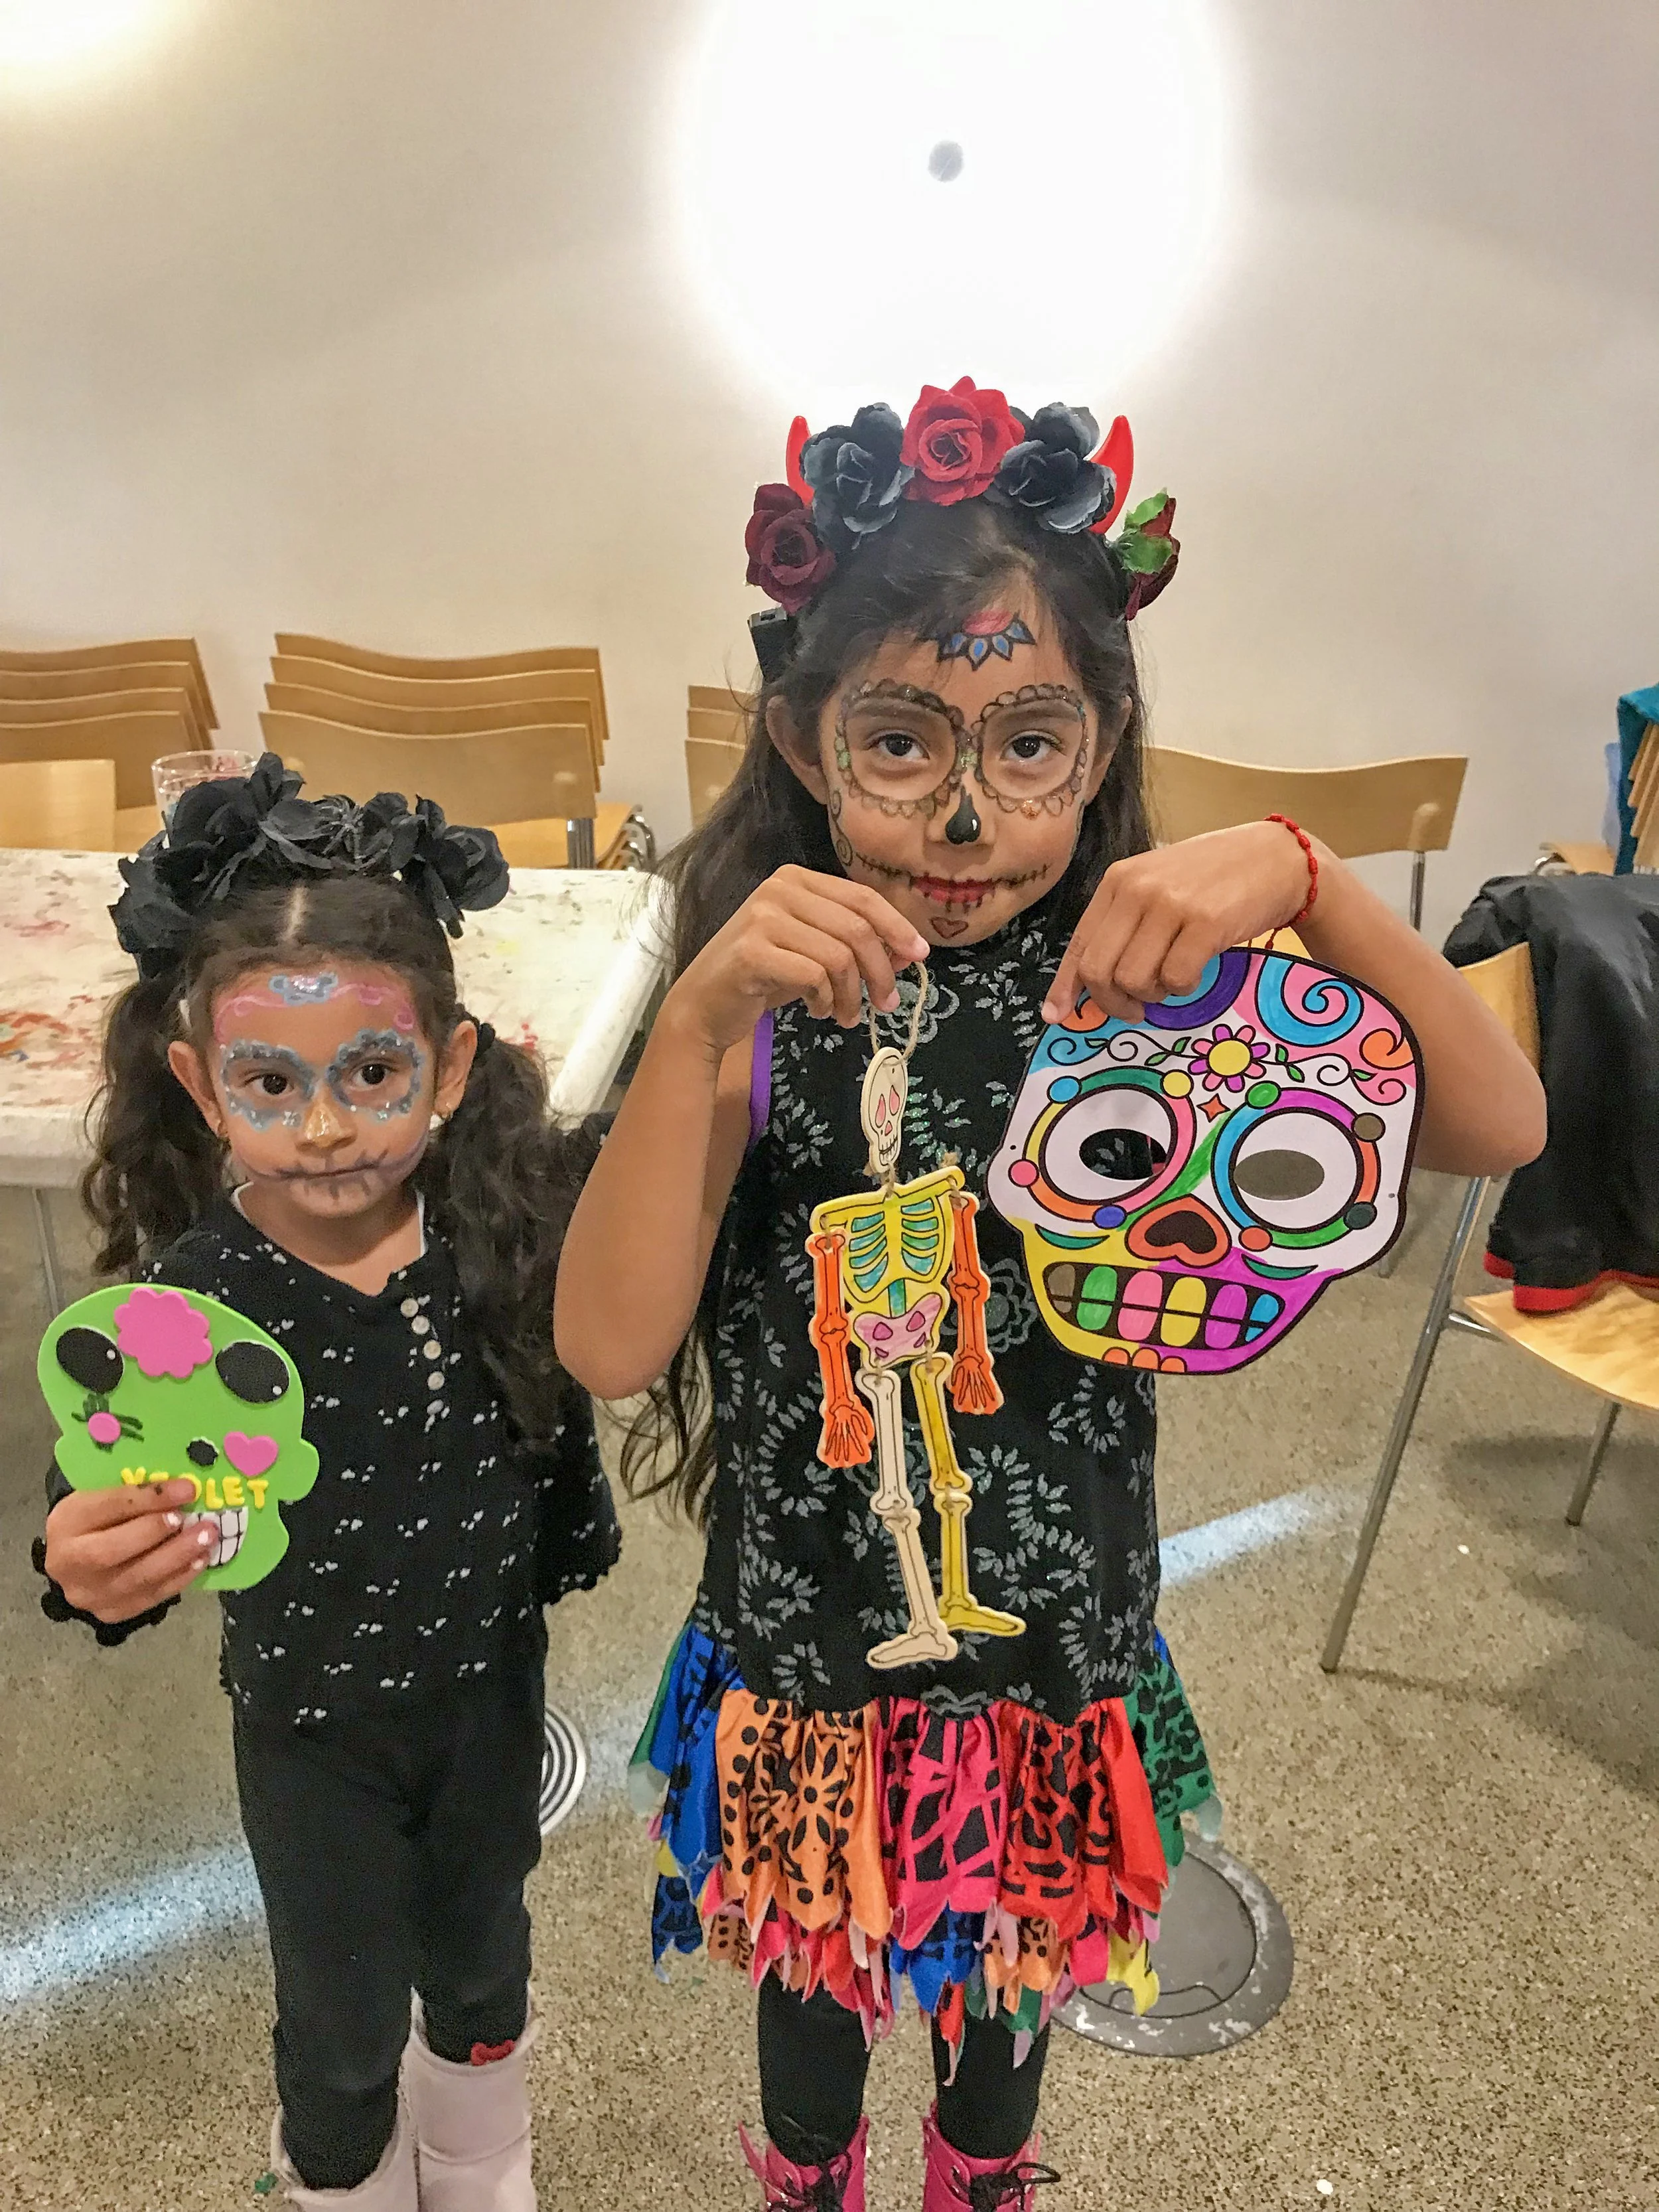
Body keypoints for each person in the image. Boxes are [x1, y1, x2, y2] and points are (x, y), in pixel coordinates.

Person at [555, 379, 1545, 2211]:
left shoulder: (1148, 986)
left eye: (1026, 743)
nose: (961, 814)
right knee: (808, 1984)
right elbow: (609, 1342)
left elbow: (1502, 1114)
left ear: (1099, 746)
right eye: (899, 742)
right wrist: (701, 1014)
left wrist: (1306, 879)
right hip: (806, 1652)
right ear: (799, 731)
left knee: (1006, 2003)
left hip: (1051, 1644)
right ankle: (809, 2181)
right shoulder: (758, 1005)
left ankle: (977, 2179)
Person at [35, 760, 618, 2212]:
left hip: (489, 1694)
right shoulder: (189, 1302)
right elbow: (103, 1469)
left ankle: (483, 2170)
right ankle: (341, 2181)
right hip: (308, 1738)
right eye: (268, 1082)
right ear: (198, 1084)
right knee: (343, 2022)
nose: (326, 1126)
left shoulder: (503, 1233)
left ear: (456, 1062)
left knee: (485, 1966)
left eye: (373, 1072)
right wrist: (80, 1557)